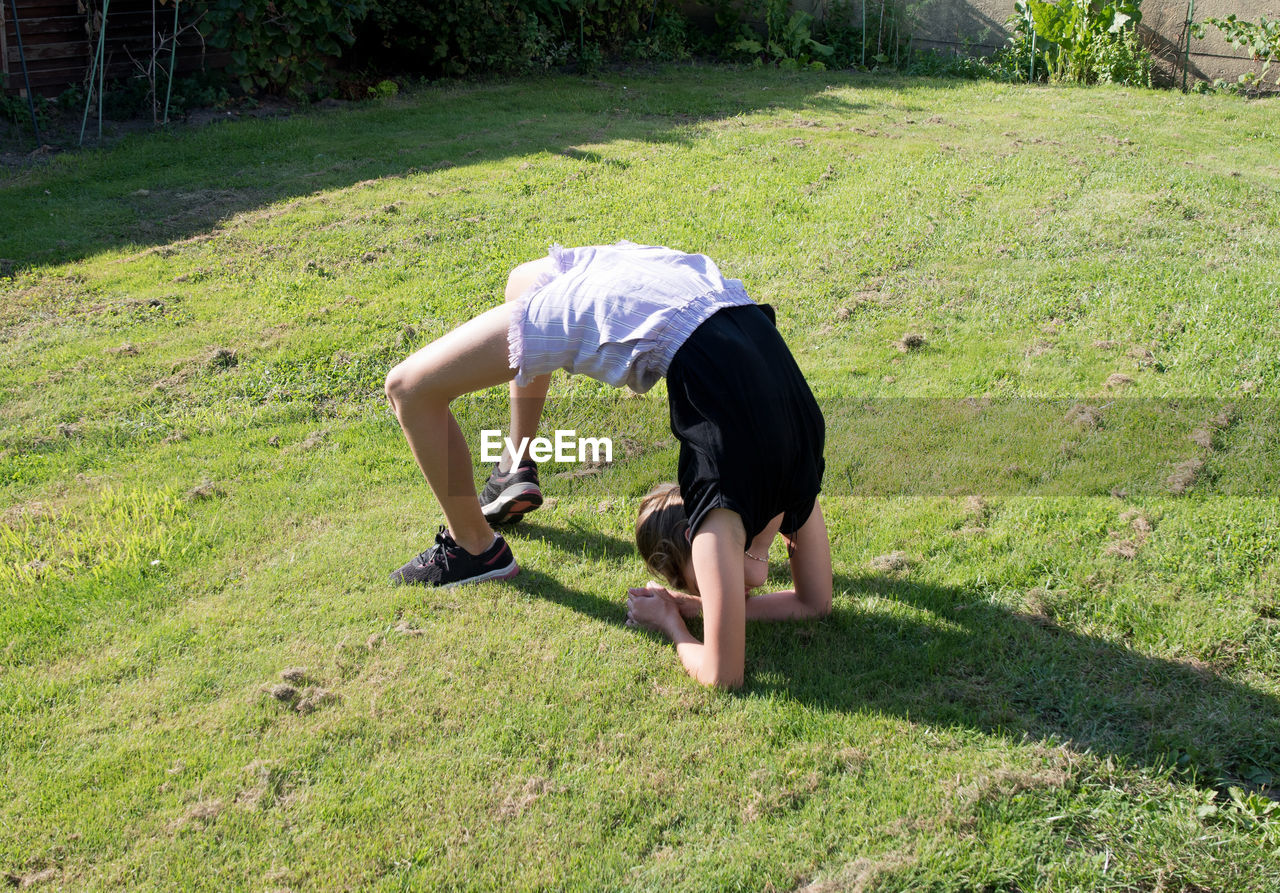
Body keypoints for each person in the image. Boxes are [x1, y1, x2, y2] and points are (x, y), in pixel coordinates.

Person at [383, 241, 831, 688]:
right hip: (622, 304)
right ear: (697, 536)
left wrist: (686, 612)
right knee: (408, 388)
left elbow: (813, 605)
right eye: (695, 583)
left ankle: (515, 463)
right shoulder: (720, 513)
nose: (714, 591)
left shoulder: (798, 460)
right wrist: (671, 620)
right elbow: (724, 674)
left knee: (524, 280)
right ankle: (475, 549)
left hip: (687, 292)